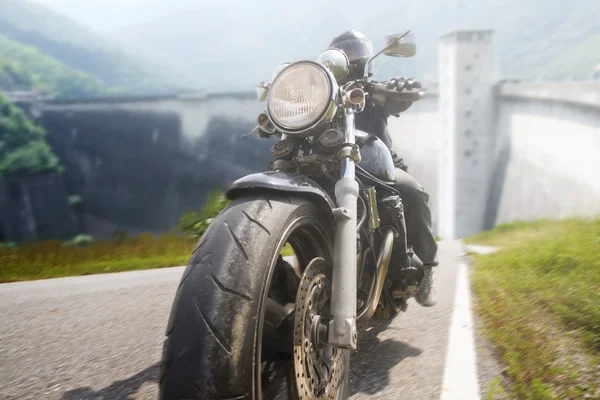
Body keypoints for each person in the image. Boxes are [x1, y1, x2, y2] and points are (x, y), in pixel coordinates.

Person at [329, 30, 438, 307]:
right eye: (345, 51)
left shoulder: (374, 92)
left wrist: (402, 88)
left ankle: (426, 269)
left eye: (354, 51)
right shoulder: (323, 93)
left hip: (377, 165)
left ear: (366, 58)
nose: (350, 56)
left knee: (413, 192)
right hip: (331, 166)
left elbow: (398, 99)